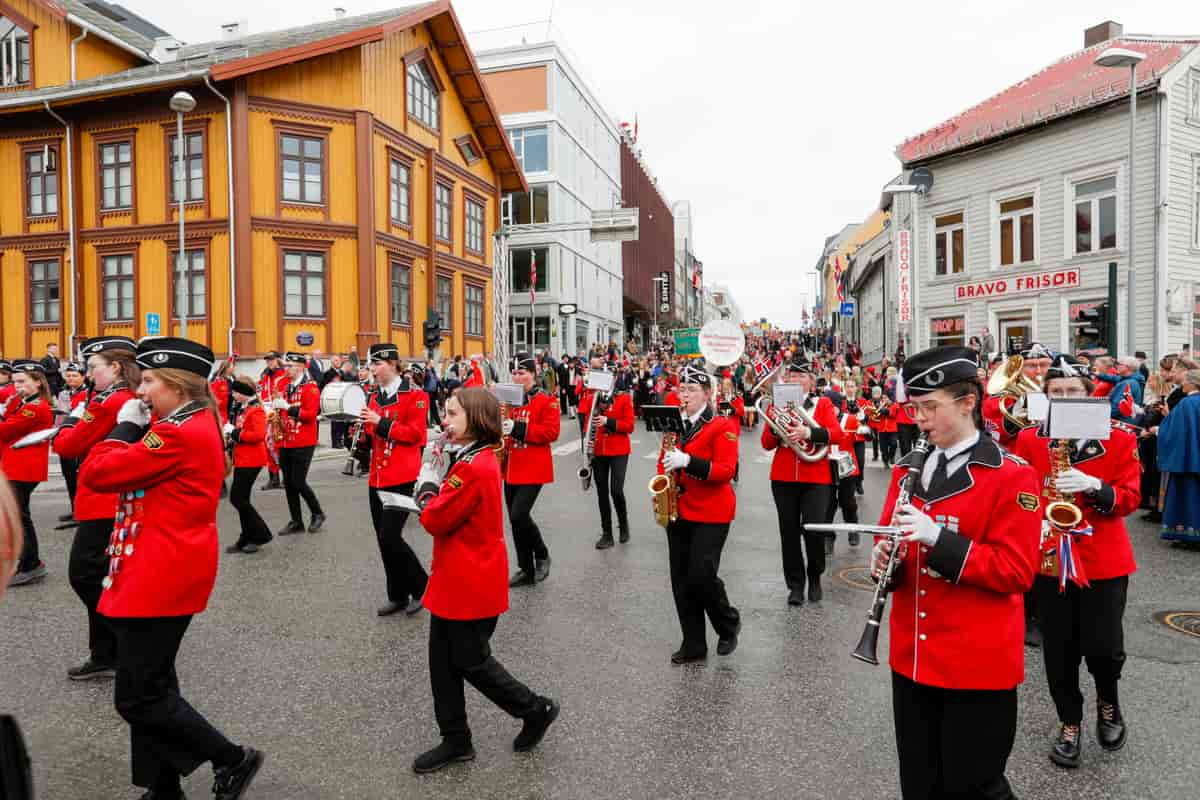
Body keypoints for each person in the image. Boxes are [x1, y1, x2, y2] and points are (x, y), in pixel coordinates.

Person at [77, 336, 264, 799]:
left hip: (159, 575)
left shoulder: (176, 431)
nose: (141, 391)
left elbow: (97, 473)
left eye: (151, 381)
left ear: (178, 386)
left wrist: (122, 430)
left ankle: (231, 758)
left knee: (138, 696)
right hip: (153, 568)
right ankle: (163, 786)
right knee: (154, 684)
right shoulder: (184, 421)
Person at [872, 345, 1041, 800]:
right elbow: (890, 536)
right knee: (919, 780)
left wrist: (937, 539)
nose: (920, 420)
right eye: (914, 409)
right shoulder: (908, 467)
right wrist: (883, 560)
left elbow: (1016, 571)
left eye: (930, 407)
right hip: (912, 657)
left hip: (976, 662)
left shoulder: (1012, 475)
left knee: (974, 786)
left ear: (968, 403)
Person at [410, 387, 559, 773]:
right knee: (441, 663)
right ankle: (455, 739)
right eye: (445, 413)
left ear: (475, 419)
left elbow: (434, 519)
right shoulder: (472, 455)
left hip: (469, 581)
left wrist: (426, 484)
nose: (445, 421)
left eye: (453, 414)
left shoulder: (474, 466)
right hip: (457, 576)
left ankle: (535, 708)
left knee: (471, 662)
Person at [1012, 354, 1140, 769]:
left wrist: (1095, 486)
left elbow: (1130, 499)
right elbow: (1021, 498)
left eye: (1073, 391)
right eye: (1056, 393)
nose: (1065, 398)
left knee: (1105, 647)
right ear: (1046, 397)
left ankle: (1108, 701)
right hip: (1050, 559)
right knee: (1059, 651)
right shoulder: (1031, 439)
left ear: (1089, 394)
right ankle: (1069, 721)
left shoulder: (1120, 438)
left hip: (1103, 560)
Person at [53, 336, 140, 678]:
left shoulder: (109, 402)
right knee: (101, 576)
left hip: (103, 500)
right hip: (111, 498)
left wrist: (73, 418)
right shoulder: (119, 397)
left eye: (93, 367)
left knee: (85, 574)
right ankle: (105, 652)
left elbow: (67, 444)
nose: (88, 375)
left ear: (116, 368)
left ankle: (125, 640)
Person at [660, 364, 741, 664]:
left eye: (692, 390)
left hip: (712, 512)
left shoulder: (722, 425)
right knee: (680, 580)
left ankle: (728, 623)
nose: (685, 395)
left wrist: (687, 461)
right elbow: (664, 459)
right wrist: (664, 480)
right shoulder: (674, 424)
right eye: (682, 389)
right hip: (679, 509)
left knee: (701, 576)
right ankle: (693, 644)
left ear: (707, 394)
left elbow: (725, 471)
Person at [762, 360, 844, 604]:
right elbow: (766, 444)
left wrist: (809, 433)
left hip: (816, 477)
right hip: (783, 476)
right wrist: (777, 427)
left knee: (814, 531)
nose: (795, 380)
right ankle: (795, 585)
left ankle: (815, 576)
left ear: (811, 380)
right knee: (788, 533)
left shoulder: (823, 403)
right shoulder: (777, 405)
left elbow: (837, 433)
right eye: (792, 376)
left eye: (801, 376)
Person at [360, 346, 430, 616]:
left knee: (390, 536)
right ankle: (398, 594)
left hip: (401, 476)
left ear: (391, 364)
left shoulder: (415, 396)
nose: (372, 370)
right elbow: (370, 434)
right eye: (371, 365)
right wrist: (359, 437)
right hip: (377, 476)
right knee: (383, 539)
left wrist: (379, 423)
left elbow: (415, 435)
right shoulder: (373, 396)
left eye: (376, 365)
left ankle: (422, 585)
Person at [502, 353, 560, 586]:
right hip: (510, 466)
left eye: (522, 373)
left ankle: (542, 553)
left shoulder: (546, 399)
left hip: (533, 467)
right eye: (514, 373)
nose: (517, 378)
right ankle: (525, 568)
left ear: (533, 374)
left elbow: (551, 433)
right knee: (515, 520)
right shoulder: (509, 399)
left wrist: (516, 428)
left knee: (519, 514)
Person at [1, 360, 54, 587]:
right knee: (18, 515)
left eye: (22, 382)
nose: (17, 386)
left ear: (38, 383)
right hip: (16, 465)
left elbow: (4, 430)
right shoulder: (24, 401)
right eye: (15, 382)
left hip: (24, 468)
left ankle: (30, 564)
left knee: (20, 518)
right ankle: (26, 561)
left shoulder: (35, 407)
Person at [578, 359, 635, 549]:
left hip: (619, 450)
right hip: (598, 450)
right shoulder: (591, 398)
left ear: (614, 378)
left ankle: (624, 524)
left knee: (616, 490)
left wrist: (607, 422)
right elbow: (586, 425)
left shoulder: (624, 398)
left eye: (609, 376)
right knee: (602, 492)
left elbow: (630, 426)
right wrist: (586, 449)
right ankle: (607, 533)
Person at [272, 352, 326, 536]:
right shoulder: (284, 385)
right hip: (286, 440)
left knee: (298, 481)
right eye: (286, 365)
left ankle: (317, 512)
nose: (286, 369)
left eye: (290, 366)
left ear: (302, 367)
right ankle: (296, 521)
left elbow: (310, 415)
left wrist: (287, 407)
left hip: (303, 440)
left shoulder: (310, 388)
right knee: (288, 482)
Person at [224, 377, 274, 554]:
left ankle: (260, 534)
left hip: (252, 460)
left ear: (244, 393)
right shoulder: (244, 408)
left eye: (236, 392)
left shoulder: (256, 410)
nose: (233, 394)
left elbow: (258, 435)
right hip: (243, 458)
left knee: (237, 499)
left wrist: (234, 432)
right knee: (241, 499)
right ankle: (246, 536)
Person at [1158, 367, 1200, 545]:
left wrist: (1161, 425)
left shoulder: (1187, 404)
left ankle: (1189, 535)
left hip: (1188, 461)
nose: (1182, 384)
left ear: (1191, 383)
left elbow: (1175, 432)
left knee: (1188, 496)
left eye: (1184, 381)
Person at [56, 362, 89, 528]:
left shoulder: (86, 394)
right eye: (68, 375)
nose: (71, 378)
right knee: (68, 476)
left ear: (83, 377)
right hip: (64, 436)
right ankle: (74, 507)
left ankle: (81, 511)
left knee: (77, 477)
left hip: (77, 439)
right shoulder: (64, 393)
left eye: (74, 375)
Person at [257, 351, 287, 491]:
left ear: (278, 360)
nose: (269, 362)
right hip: (266, 413)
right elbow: (261, 392)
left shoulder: (283, 375)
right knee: (268, 446)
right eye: (267, 360)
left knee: (279, 446)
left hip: (279, 414)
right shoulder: (265, 375)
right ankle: (273, 478)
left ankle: (287, 478)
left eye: (271, 360)